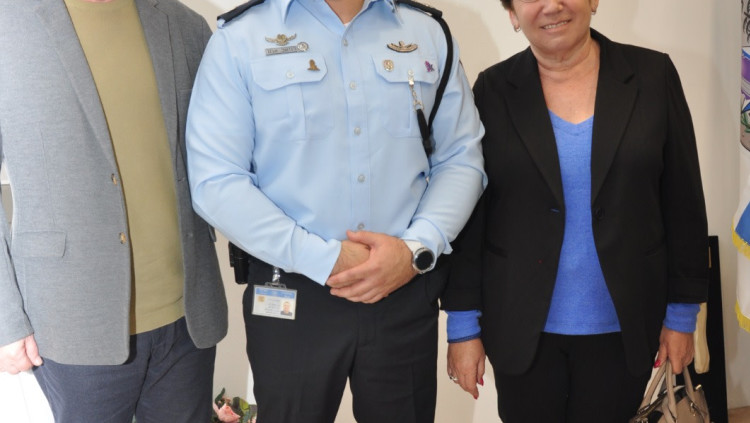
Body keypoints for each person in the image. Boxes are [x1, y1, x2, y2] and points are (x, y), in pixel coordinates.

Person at [185, 0, 486, 421]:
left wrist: (416, 249)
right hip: (291, 291)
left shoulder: (427, 33)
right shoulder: (240, 39)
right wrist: (323, 258)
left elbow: (460, 159)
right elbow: (216, 181)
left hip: (401, 286)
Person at [442, 0, 708, 422]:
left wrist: (682, 315)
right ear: (512, 14)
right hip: (521, 327)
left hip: (624, 326)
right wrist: (462, 325)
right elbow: (472, 215)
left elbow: (684, 202)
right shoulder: (492, 89)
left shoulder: (653, 75)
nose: (552, 5)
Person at [0, 0, 228, 421]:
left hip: (186, 323)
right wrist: (5, 318)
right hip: (73, 326)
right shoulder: (7, 25)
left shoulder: (186, 26)